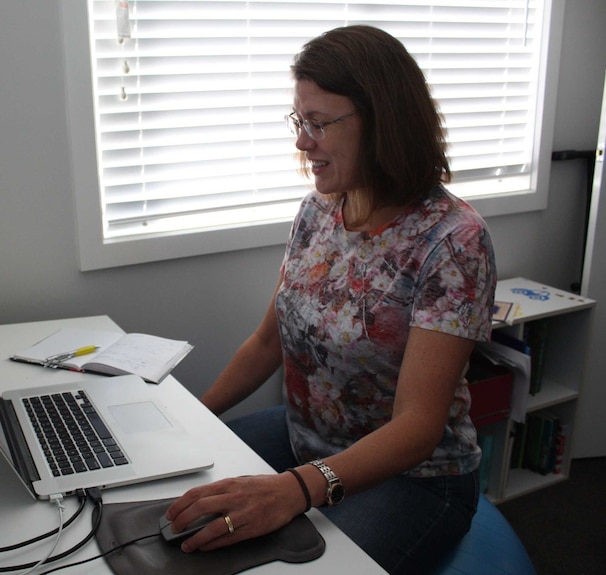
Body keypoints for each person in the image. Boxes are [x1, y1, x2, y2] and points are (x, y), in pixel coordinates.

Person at [164, 25, 497, 574]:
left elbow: (418, 426)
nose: (302, 142)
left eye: (318, 124)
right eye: (300, 122)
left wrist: (294, 491)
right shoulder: (318, 211)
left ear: (382, 121)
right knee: (175, 496)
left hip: (416, 479)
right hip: (308, 441)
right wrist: (193, 420)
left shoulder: (454, 240)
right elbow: (266, 342)